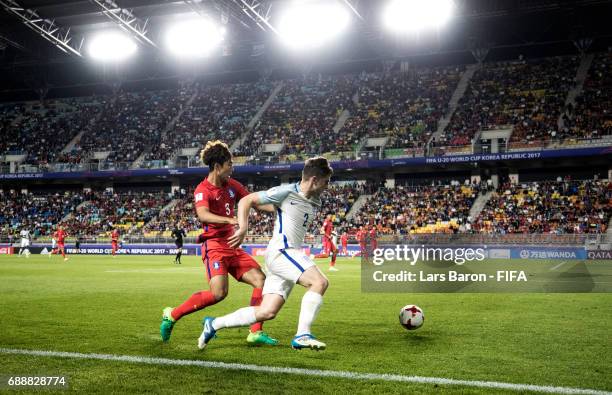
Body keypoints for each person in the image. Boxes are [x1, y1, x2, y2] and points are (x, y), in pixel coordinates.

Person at [198, 156, 333, 351]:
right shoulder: (286, 191)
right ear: (314, 180)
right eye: (326, 182)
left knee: (267, 311)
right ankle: (303, 334)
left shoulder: (314, 200)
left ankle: (214, 324)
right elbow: (246, 200)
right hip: (282, 252)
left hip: (286, 254)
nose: (327, 186)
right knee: (319, 282)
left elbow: (283, 211)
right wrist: (243, 228)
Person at [160, 140, 277, 346]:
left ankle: (255, 332)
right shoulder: (202, 189)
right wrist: (231, 219)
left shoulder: (232, 185)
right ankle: (172, 314)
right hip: (214, 245)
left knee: (261, 280)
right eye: (229, 164)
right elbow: (203, 214)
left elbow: (254, 202)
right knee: (218, 294)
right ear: (217, 167)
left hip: (232, 244)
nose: (232, 168)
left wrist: (279, 208)